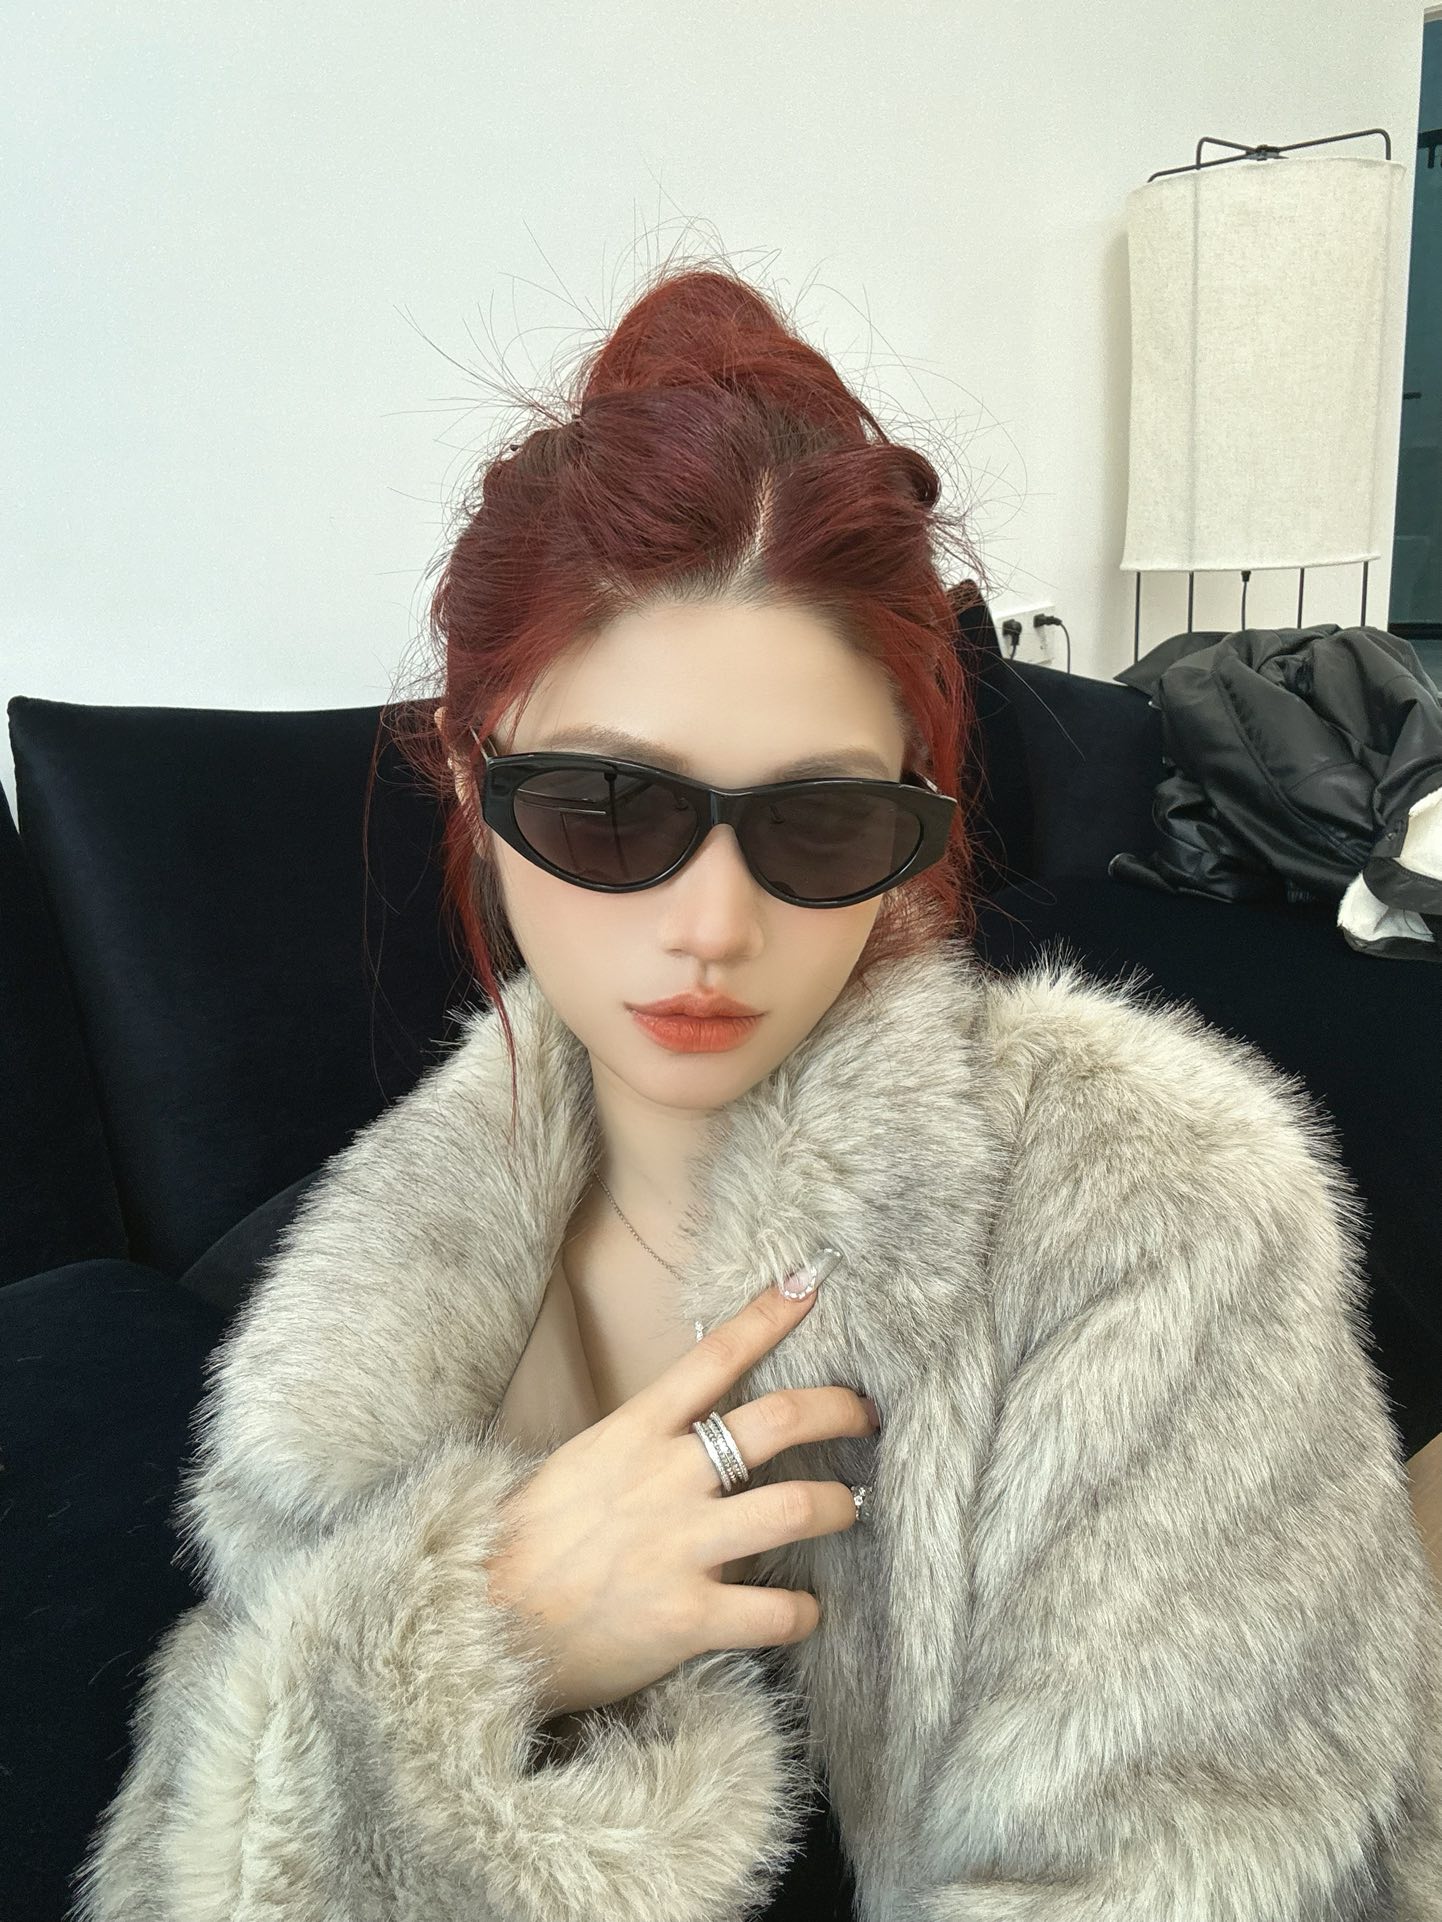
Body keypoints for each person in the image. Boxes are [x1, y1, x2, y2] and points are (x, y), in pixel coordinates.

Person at [73, 263, 1442, 1922]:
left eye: (820, 822)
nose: (711, 926)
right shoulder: (354, 1323)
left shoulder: (1159, 1220)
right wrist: (474, 1640)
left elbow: (1225, 1863)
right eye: (605, 807)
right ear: (471, 771)